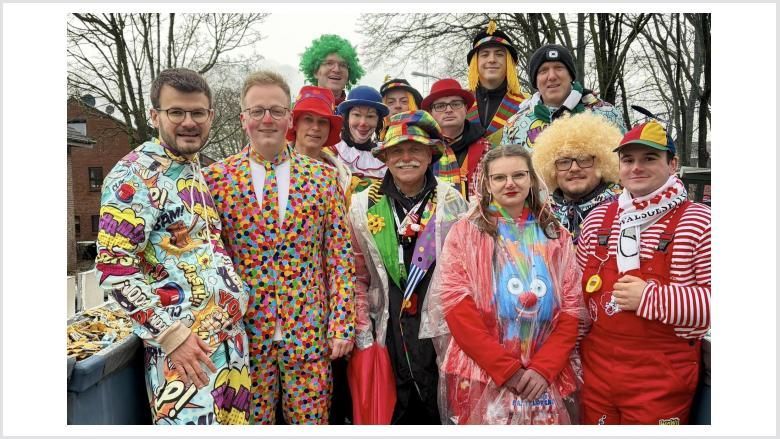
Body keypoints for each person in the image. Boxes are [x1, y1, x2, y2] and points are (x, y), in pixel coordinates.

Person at [95, 68, 251, 425]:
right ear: (155, 116)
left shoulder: (194, 169)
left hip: (230, 347)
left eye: (198, 112)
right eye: (176, 112)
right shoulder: (133, 175)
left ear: (211, 115)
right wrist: (170, 336)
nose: (189, 122)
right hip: (185, 356)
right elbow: (114, 269)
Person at [203, 70, 356, 425]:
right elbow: (209, 258)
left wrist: (342, 324)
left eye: (276, 110)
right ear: (243, 119)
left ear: (289, 117)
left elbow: (338, 256)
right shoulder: (216, 179)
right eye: (257, 111)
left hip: (309, 330)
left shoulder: (322, 177)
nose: (267, 119)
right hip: (244, 334)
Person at [429, 144, 585, 425]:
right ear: (487, 184)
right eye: (499, 177)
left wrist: (543, 368)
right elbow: (456, 308)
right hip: (482, 372)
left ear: (532, 179)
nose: (510, 184)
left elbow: (571, 310)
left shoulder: (555, 234)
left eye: (519, 175)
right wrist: (506, 369)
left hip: (542, 376)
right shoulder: (465, 233)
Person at [576, 120, 711, 424]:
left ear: (672, 164)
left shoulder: (699, 222)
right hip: (596, 369)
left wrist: (649, 297)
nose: (636, 167)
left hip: (662, 376)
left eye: (649, 158)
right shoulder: (598, 219)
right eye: (628, 160)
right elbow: (577, 299)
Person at [350, 110, 468, 424]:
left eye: (415, 149)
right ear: (385, 157)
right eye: (397, 151)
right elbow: (356, 274)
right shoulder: (363, 204)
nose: (406, 158)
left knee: (440, 414)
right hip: (386, 330)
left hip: (440, 333)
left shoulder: (453, 202)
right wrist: (363, 333)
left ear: (430, 155)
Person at [502, 43, 626, 151]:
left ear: (570, 75)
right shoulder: (515, 125)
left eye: (559, 68)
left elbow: (625, 160)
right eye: (543, 71)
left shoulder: (606, 114)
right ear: (536, 81)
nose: (552, 76)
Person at [531, 112, 623, 243]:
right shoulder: (542, 213)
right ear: (551, 169)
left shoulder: (623, 207)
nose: (574, 168)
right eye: (564, 162)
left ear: (603, 163)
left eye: (584, 159)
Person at [422, 78, 490, 201]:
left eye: (456, 104)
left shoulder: (486, 148)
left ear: (466, 108)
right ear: (430, 113)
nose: (449, 110)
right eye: (440, 106)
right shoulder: (422, 148)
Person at [465, 20, 527, 146]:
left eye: (499, 54)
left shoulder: (526, 104)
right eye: (485, 55)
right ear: (475, 62)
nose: (492, 60)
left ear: (509, 62)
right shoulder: (460, 102)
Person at [287, 85, 352, 199]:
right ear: (295, 124)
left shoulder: (341, 175)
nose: (316, 127)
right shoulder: (273, 164)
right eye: (308, 119)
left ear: (329, 129)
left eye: (322, 122)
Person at [330, 85, 390, 194]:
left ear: (378, 122)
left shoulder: (385, 157)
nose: (363, 123)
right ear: (347, 118)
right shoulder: (330, 150)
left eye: (370, 116)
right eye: (357, 115)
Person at [299, 34, 365, 107]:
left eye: (343, 65)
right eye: (329, 63)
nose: (337, 70)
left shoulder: (356, 111)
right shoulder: (301, 110)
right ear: (315, 71)